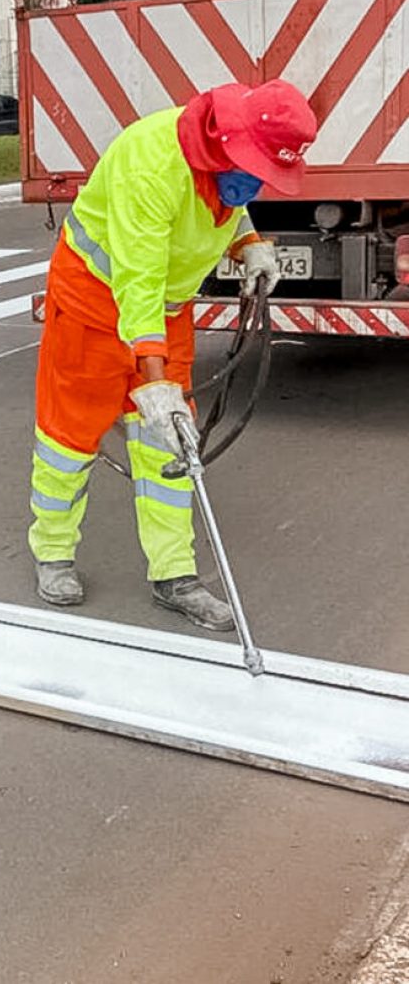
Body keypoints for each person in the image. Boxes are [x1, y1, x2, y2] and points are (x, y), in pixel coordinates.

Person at [29, 80, 317, 628]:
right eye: (251, 171)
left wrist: (247, 242)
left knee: (168, 444)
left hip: (164, 312)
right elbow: (138, 279)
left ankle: (174, 573)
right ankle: (54, 553)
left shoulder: (222, 156)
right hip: (93, 304)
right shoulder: (151, 165)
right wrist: (153, 379)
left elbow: (220, 209)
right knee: (68, 438)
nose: (253, 186)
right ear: (226, 146)